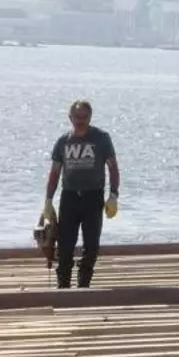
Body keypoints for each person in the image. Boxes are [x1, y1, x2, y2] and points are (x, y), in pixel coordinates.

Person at [41, 100, 120, 288]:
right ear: (70, 118)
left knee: (91, 245)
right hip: (69, 197)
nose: (81, 121)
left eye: (85, 117)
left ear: (90, 118)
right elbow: (55, 173)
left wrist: (113, 195)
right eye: (77, 117)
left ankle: (83, 285)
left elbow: (113, 167)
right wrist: (48, 201)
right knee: (65, 245)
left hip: (93, 197)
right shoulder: (63, 142)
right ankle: (63, 285)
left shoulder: (101, 139)